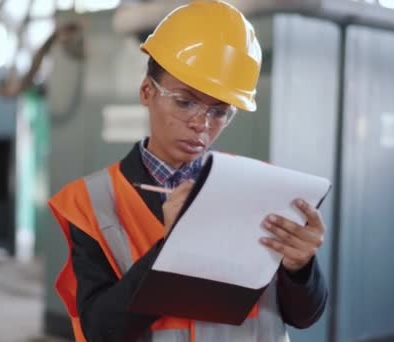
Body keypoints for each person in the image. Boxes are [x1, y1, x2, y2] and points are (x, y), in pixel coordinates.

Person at [48, 1, 328, 341]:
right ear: (147, 92)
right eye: (185, 101)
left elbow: (304, 316)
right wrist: (173, 247)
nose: (201, 124)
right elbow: (100, 330)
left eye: (220, 111)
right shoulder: (92, 203)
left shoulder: (261, 191)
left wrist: (300, 268)